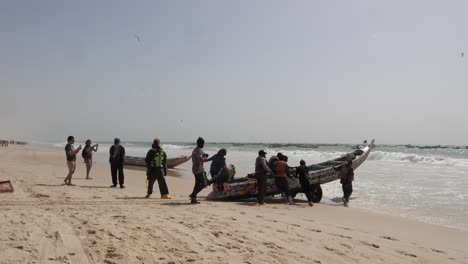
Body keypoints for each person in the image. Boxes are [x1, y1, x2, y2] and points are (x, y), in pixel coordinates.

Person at [190, 137, 208, 204]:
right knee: (203, 184)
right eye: (203, 143)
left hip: (194, 169)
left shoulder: (195, 150)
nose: (203, 145)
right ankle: (193, 195)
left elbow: (200, 156)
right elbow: (201, 160)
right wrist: (205, 157)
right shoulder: (199, 150)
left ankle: (193, 199)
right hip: (198, 170)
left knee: (197, 184)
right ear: (200, 143)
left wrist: (204, 155)